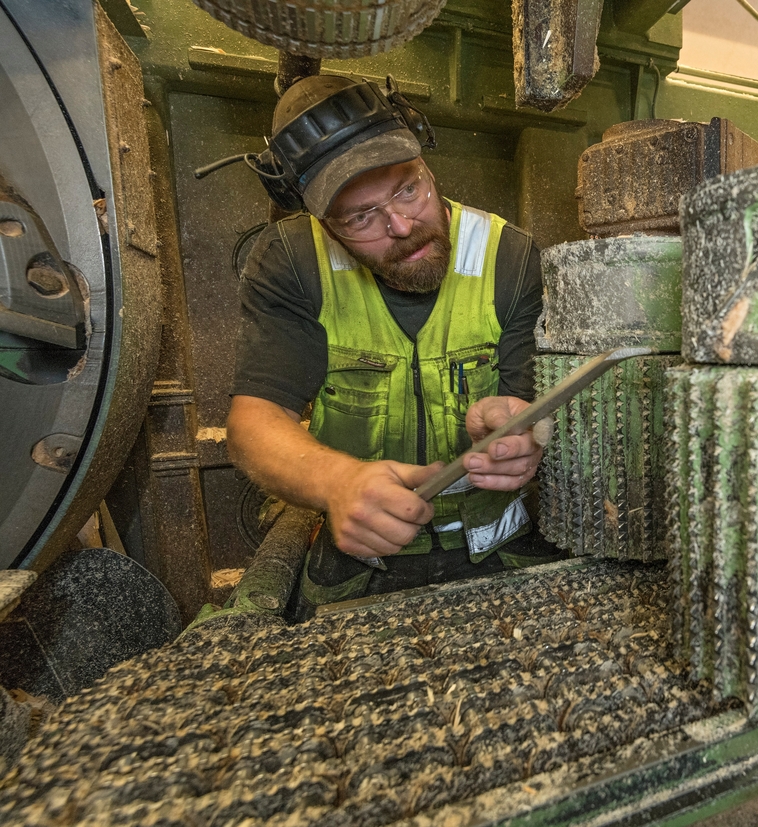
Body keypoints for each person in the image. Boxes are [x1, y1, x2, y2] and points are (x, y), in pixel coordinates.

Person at [226, 75, 562, 619]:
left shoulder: (510, 257)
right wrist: (336, 481)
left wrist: (521, 426)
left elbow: (525, 401)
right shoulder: (292, 263)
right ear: (324, 224)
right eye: (361, 218)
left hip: (498, 554)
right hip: (362, 566)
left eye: (409, 188)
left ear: (425, 161)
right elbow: (252, 424)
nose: (403, 225)